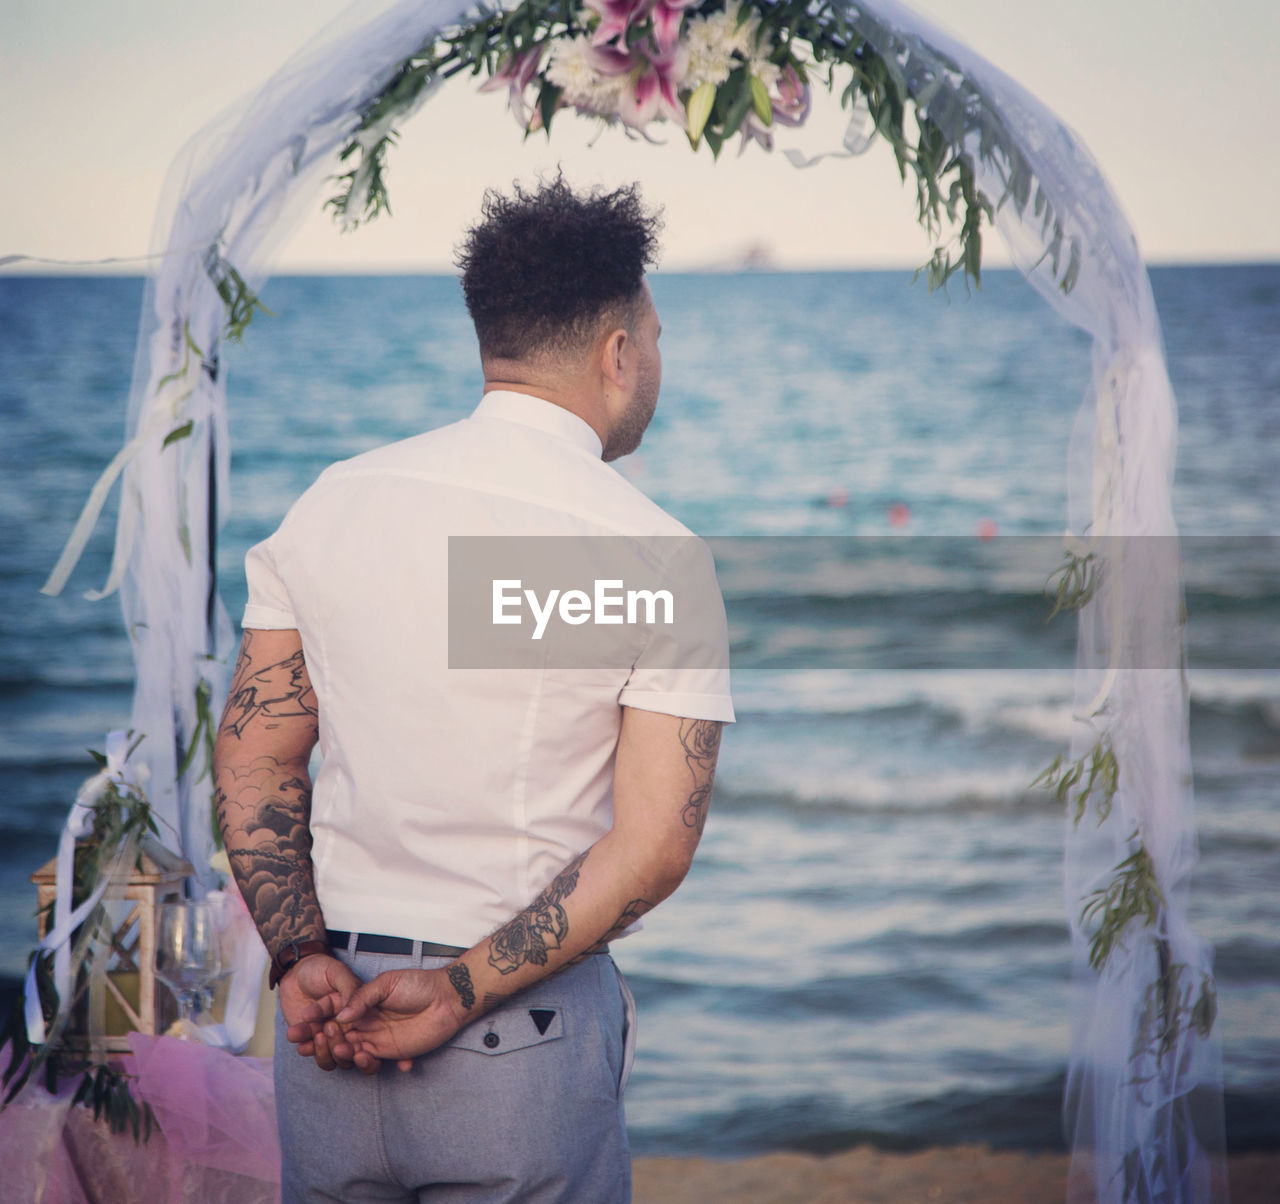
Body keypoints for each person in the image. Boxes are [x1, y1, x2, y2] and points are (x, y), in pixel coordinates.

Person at [212, 177, 734, 1203]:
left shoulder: (332, 504)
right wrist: (454, 992)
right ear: (616, 353)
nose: (655, 363)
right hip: (516, 1038)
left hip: (327, 1022)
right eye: (655, 338)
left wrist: (297, 956)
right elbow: (653, 845)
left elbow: (255, 753)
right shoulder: (652, 554)